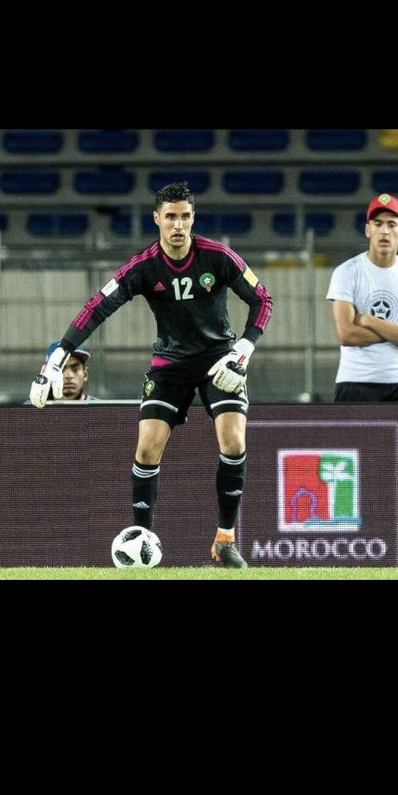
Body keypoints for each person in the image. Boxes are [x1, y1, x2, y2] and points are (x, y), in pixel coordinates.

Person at [29, 181, 273, 568]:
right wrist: (58, 354)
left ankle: (225, 539)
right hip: (170, 364)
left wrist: (244, 348)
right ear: (157, 218)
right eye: (171, 216)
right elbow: (97, 307)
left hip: (218, 361)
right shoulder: (143, 267)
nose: (178, 225)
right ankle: (143, 540)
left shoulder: (218, 256)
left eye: (185, 217)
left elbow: (262, 299)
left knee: (234, 440)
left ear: (194, 218)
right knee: (147, 447)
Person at [326, 193, 398, 402]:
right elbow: (347, 335)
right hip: (353, 382)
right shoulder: (346, 272)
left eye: (392, 224)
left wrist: (369, 321)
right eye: (378, 224)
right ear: (368, 230)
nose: (385, 231)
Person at [25, 342, 101, 403]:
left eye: (75, 369)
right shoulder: (29, 412)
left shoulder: (101, 411)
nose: (69, 376)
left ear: (85, 374)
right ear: (46, 374)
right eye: (59, 369)